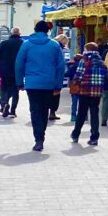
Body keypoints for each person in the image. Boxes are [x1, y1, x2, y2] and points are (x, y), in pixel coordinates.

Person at [16, 20, 66, 152]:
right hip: (49, 84)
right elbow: (61, 66)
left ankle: (38, 138)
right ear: (48, 31)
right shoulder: (54, 45)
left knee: (35, 110)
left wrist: (19, 82)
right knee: (44, 110)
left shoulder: (26, 45)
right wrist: (58, 85)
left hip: (32, 84)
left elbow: (19, 64)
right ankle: (41, 136)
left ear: (34, 29)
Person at [68, 42, 106, 145]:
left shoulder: (83, 61)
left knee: (81, 113)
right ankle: (94, 137)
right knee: (94, 114)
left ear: (87, 50)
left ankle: (75, 134)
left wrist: (74, 83)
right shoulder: (102, 62)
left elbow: (78, 76)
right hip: (97, 93)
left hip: (85, 91)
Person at [0, 28, 23, 118]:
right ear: (19, 33)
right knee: (15, 91)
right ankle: (13, 111)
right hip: (17, 70)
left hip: (4, 70)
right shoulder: (23, 43)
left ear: (11, 33)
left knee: (4, 88)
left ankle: (4, 103)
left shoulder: (4, 43)